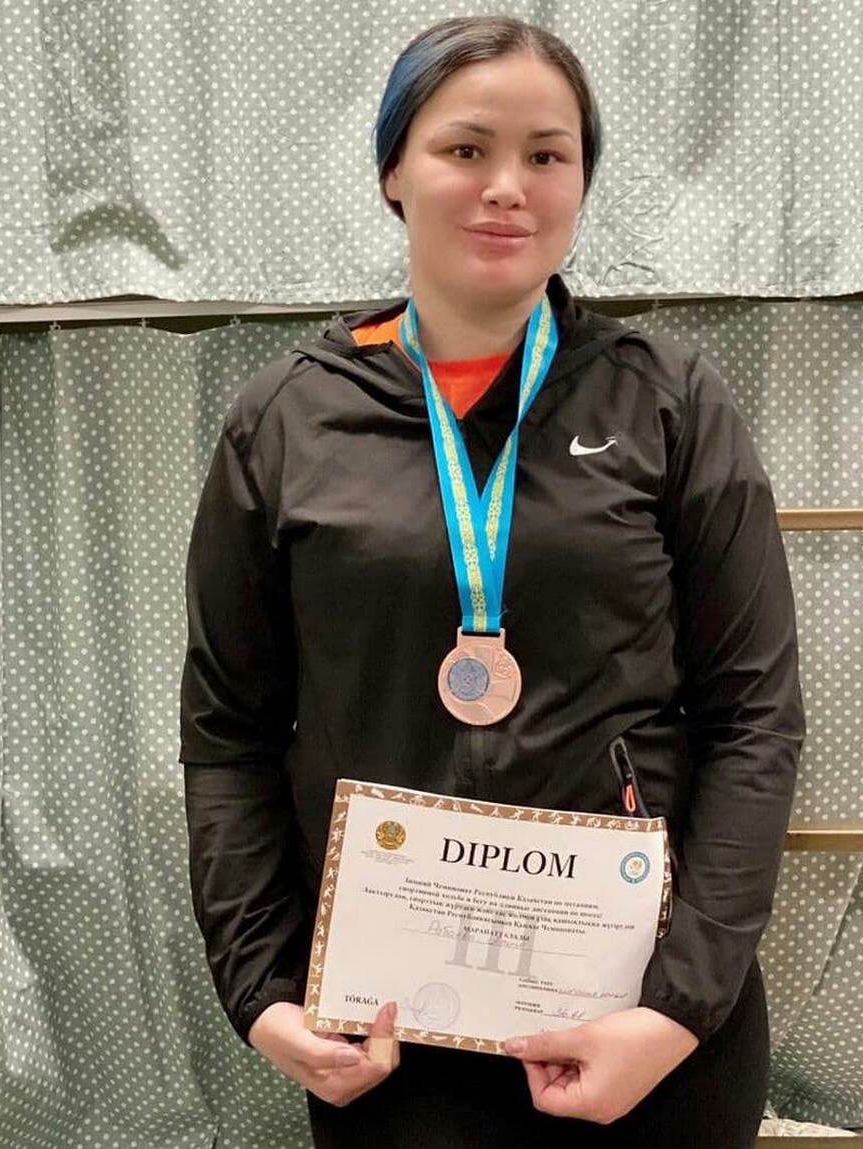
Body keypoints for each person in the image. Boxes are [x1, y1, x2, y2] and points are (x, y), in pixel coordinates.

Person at [178, 14, 806, 1148]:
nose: (507, 187)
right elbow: (228, 731)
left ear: (581, 180)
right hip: (387, 1030)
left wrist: (678, 1008)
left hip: (641, 1011)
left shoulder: (667, 403)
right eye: (465, 148)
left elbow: (754, 717)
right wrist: (263, 991)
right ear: (394, 172)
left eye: (546, 154)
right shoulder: (285, 419)